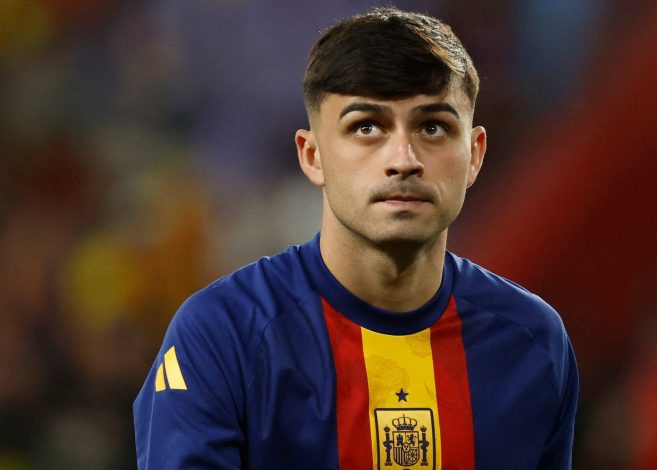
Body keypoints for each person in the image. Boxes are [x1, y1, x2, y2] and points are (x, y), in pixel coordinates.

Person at [133, 7, 578, 469]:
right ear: (312, 155)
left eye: (433, 127)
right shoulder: (222, 334)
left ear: (475, 155)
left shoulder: (532, 341)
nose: (403, 159)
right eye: (367, 127)